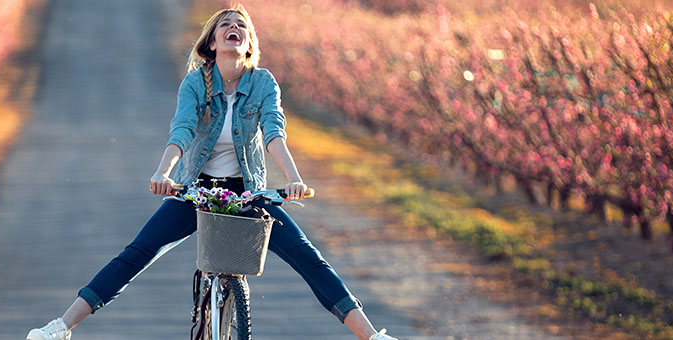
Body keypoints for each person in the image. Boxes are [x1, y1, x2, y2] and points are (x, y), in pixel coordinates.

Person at [26, 4, 398, 340]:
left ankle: (371, 337)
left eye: (241, 25)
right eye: (225, 25)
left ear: (248, 42)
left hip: (250, 193)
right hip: (198, 191)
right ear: (212, 42)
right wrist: (163, 172)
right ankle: (62, 327)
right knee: (137, 252)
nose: (234, 27)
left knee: (309, 258)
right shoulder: (195, 84)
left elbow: (273, 131)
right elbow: (182, 131)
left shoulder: (263, 82)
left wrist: (294, 179)